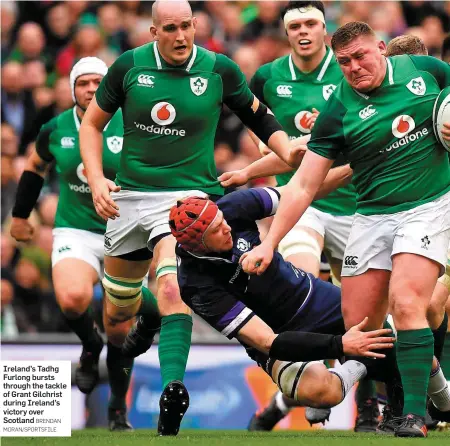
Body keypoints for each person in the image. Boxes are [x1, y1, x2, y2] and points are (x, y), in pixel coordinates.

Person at [79, 0, 295, 436]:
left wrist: (287, 148)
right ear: (153, 31)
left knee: (171, 281)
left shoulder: (219, 69)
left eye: (187, 27)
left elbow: (258, 115)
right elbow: (92, 126)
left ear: (196, 25)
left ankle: (172, 391)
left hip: (187, 197)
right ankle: (150, 314)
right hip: (129, 196)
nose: (180, 37)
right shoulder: (128, 67)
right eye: (170, 29)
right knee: (119, 307)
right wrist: (99, 180)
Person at [240, 21, 450, 437]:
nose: (354, 67)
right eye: (345, 62)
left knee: (408, 302)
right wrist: (270, 242)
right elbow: (304, 184)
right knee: (361, 325)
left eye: (362, 56)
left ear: (383, 49)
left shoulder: (426, 71)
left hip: (428, 206)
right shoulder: (338, 109)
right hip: (369, 216)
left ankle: (411, 415)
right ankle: (437, 395)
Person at [158, 188, 449, 422]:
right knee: (322, 392)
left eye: (222, 220)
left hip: (314, 298)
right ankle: (361, 365)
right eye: (216, 231)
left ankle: (444, 402)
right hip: (277, 334)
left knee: (402, 341)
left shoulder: (233, 207)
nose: (226, 229)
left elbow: (299, 192)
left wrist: (345, 167)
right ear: (197, 245)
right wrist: (340, 346)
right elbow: (268, 341)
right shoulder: (196, 284)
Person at [221, 1, 377, 431]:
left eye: (311, 23)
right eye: (295, 25)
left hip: (357, 207)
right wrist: (262, 159)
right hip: (300, 205)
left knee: (363, 314)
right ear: (285, 31)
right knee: (302, 284)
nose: (303, 31)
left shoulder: (349, 69)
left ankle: (346, 408)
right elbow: (260, 135)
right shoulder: (268, 77)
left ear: (325, 29)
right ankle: (319, 386)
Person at [10, 57, 135, 431]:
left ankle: (116, 407)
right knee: (72, 299)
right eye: (84, 83)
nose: (92, 89)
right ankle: (88, 344)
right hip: (75, 230)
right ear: (72, 89)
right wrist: (19, 215)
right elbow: (35, 165)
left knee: (120, 326)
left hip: (124, 233)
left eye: (99, 81)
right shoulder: (56, 128)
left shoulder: (132, 123)